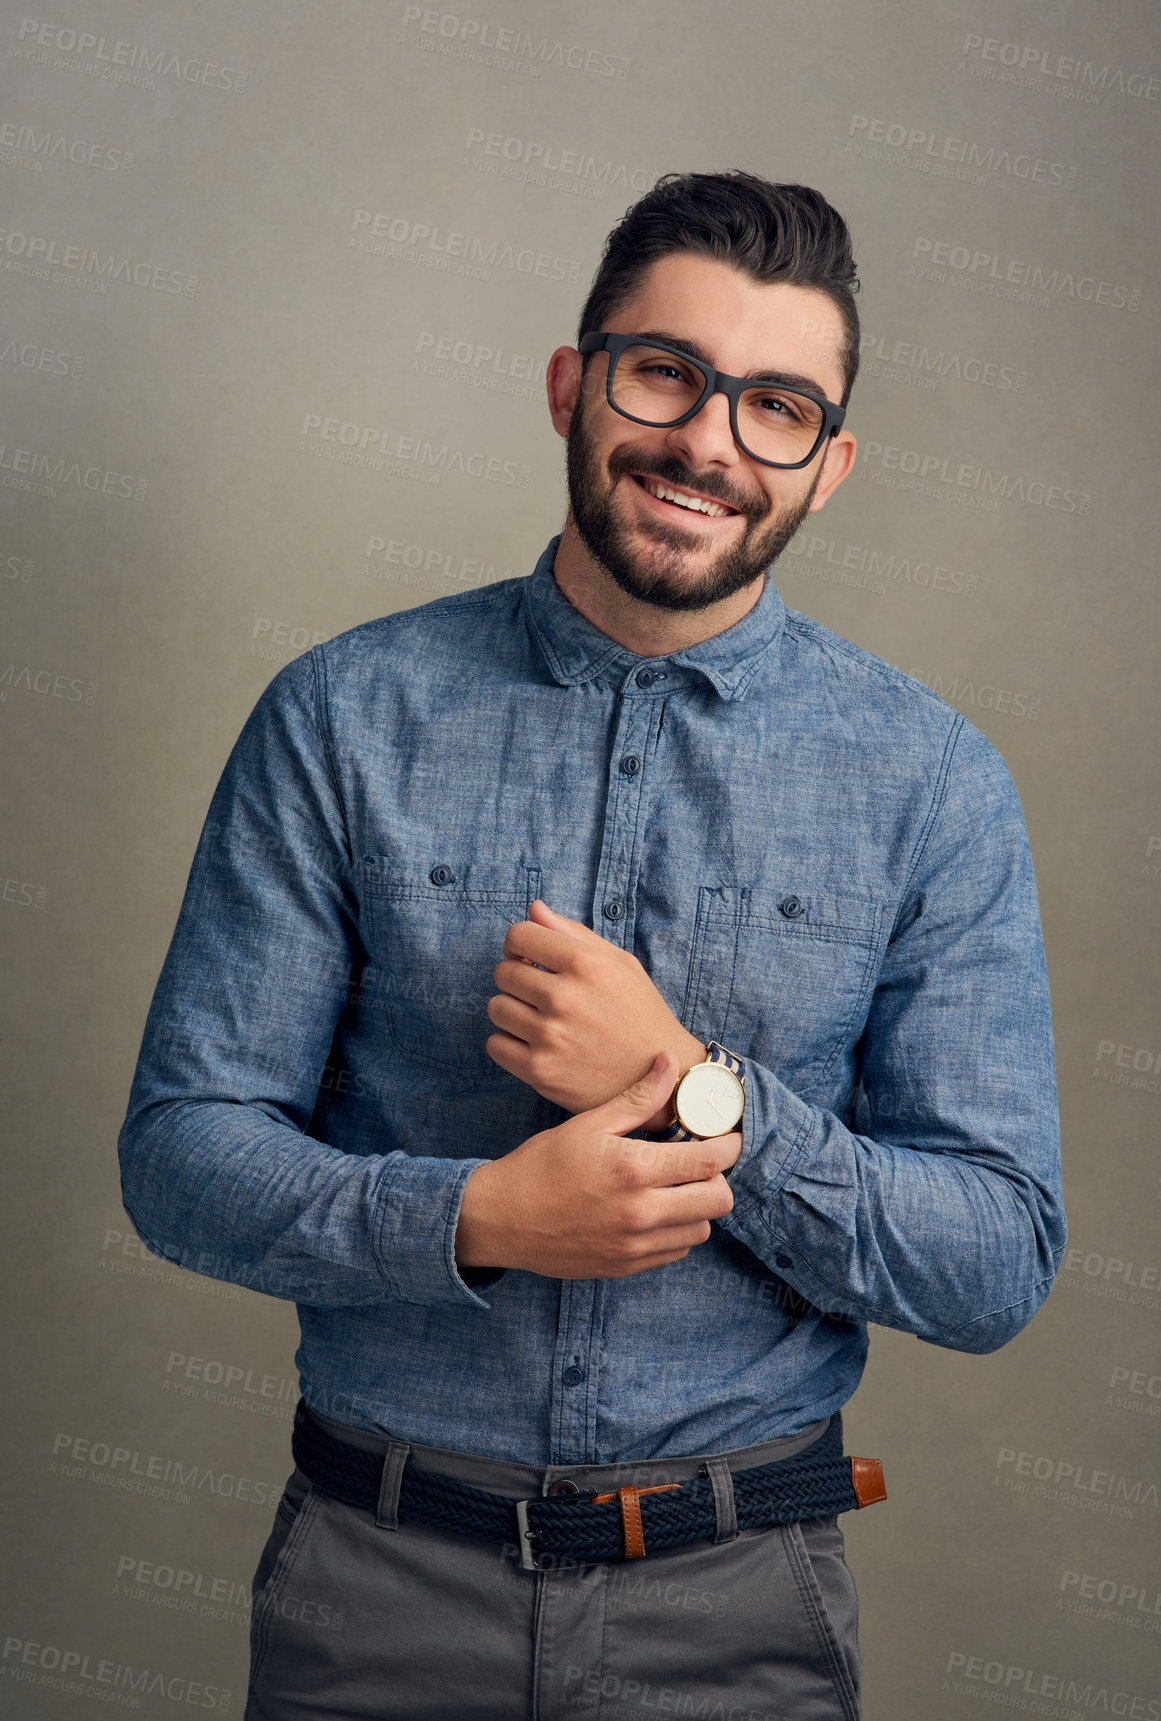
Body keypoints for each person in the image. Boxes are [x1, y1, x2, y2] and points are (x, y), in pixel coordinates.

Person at [118, 172, 1065, 1720]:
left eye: (774, 408)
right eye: (664, 374)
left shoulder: (932, 781)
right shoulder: (340, 717)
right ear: (574, 382)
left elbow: (991, 1259)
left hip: (740, 1611)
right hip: (375, 1592)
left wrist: (702, 1092)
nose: (707, 441)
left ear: (827, 470)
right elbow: (179, 1157)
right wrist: (478, 1215)